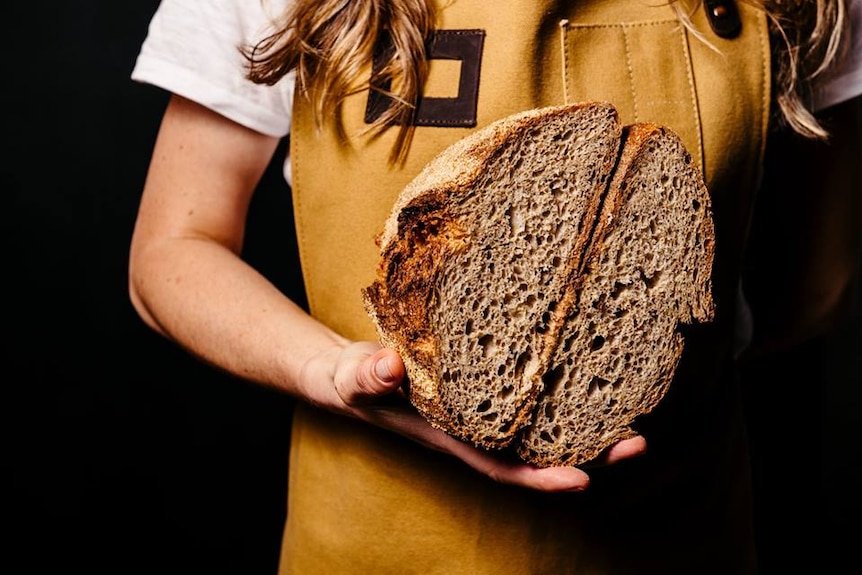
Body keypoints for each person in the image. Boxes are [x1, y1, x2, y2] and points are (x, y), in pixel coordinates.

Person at [129, 0, 861, 572]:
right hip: (372, 550)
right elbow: (169, 252)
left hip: (678, 549)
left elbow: (813, 287)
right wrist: (330, 370)